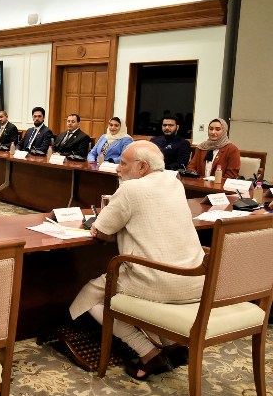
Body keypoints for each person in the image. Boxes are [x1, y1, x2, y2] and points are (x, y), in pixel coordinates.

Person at [70, 141, 204, 380]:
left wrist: (105, 226)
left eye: (123, 163)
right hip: (194, 279)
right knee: (138, 287)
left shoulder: (131, 190)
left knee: (89, 296)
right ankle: (173, 346)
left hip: (156, 281)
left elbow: (101, 231)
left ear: (142, 167)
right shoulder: (175, 183)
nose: (117, 169)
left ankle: (149, 353)